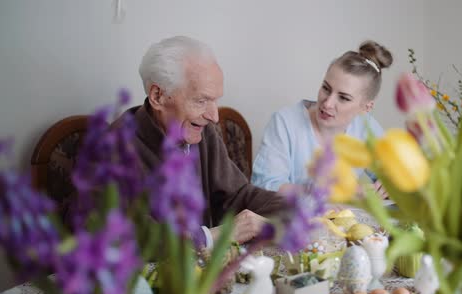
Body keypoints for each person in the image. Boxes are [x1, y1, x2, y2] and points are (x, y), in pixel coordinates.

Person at [113, 36, 283, 245]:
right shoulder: (113, 147)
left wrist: (297, 210)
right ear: (158, 96)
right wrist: (214, 237)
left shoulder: (202, 132)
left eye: (215, 100)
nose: (215, 116)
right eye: (202, 100)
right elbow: (129, 237)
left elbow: (238, 195)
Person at [251, 41, 392, 194]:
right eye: (326, 88)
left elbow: (391, 173)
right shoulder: (284, 123)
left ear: (366, 107)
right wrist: (322, 192)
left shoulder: (368, 127)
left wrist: (389, 184)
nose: (328, 103)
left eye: (343, 98)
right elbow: (263, 187)